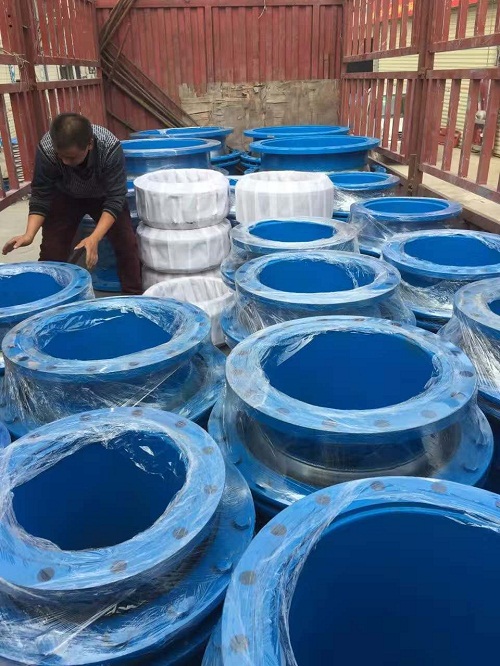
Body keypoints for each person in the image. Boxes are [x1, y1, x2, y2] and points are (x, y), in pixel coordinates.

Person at [2, 113, 142, 294]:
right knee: (52, 250)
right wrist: (29, 235)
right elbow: (41, 195)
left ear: (90, 144)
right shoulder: (48, 149)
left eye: (71, 157)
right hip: (65, 195)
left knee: (127, 244)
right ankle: (47, 296)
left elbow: (116, 198)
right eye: (61, 156)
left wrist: (94, 237)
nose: (65, 162)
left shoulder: (109, 147)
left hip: (103, 195)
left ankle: (134, 296)